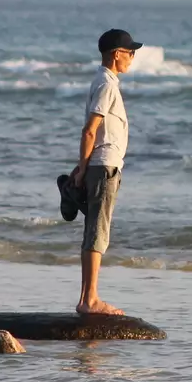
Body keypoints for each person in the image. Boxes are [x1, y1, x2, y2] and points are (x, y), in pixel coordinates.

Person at [69, 28, 142, 316]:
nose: (133, 58)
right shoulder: (107, 85)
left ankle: (89, 297)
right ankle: (89, 300)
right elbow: (90, 130)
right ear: (117, 54)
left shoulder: (103, 82)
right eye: (130, 53)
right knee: (98, 233)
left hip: (101, 164)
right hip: (103, 166)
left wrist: (82, 167)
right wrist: (83, 169)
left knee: (95, 231)